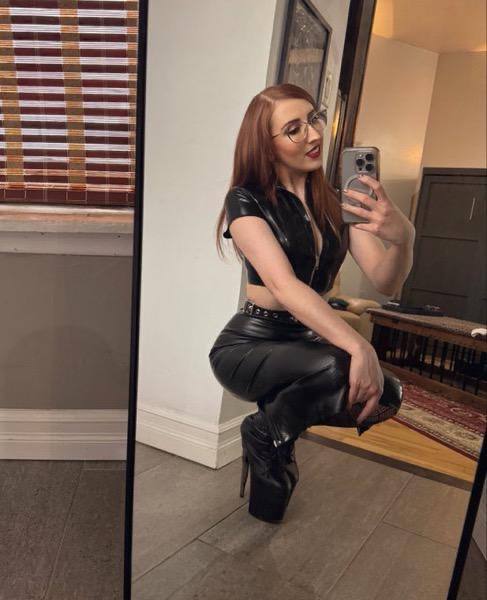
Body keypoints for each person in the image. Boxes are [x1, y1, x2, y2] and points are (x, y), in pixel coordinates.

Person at [208, 83, 415, 524]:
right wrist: (360, 346)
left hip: (306, 343)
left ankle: (267, 434)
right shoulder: (245, 200)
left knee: (387, 395)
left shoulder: (338, 203)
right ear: (266, 144)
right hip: (251, 344)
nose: (314, 134)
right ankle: (269, 434)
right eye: (294, 129)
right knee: (341, 365)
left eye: (314, 119)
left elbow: (385, 280)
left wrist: (404, 238)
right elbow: (284, 286)